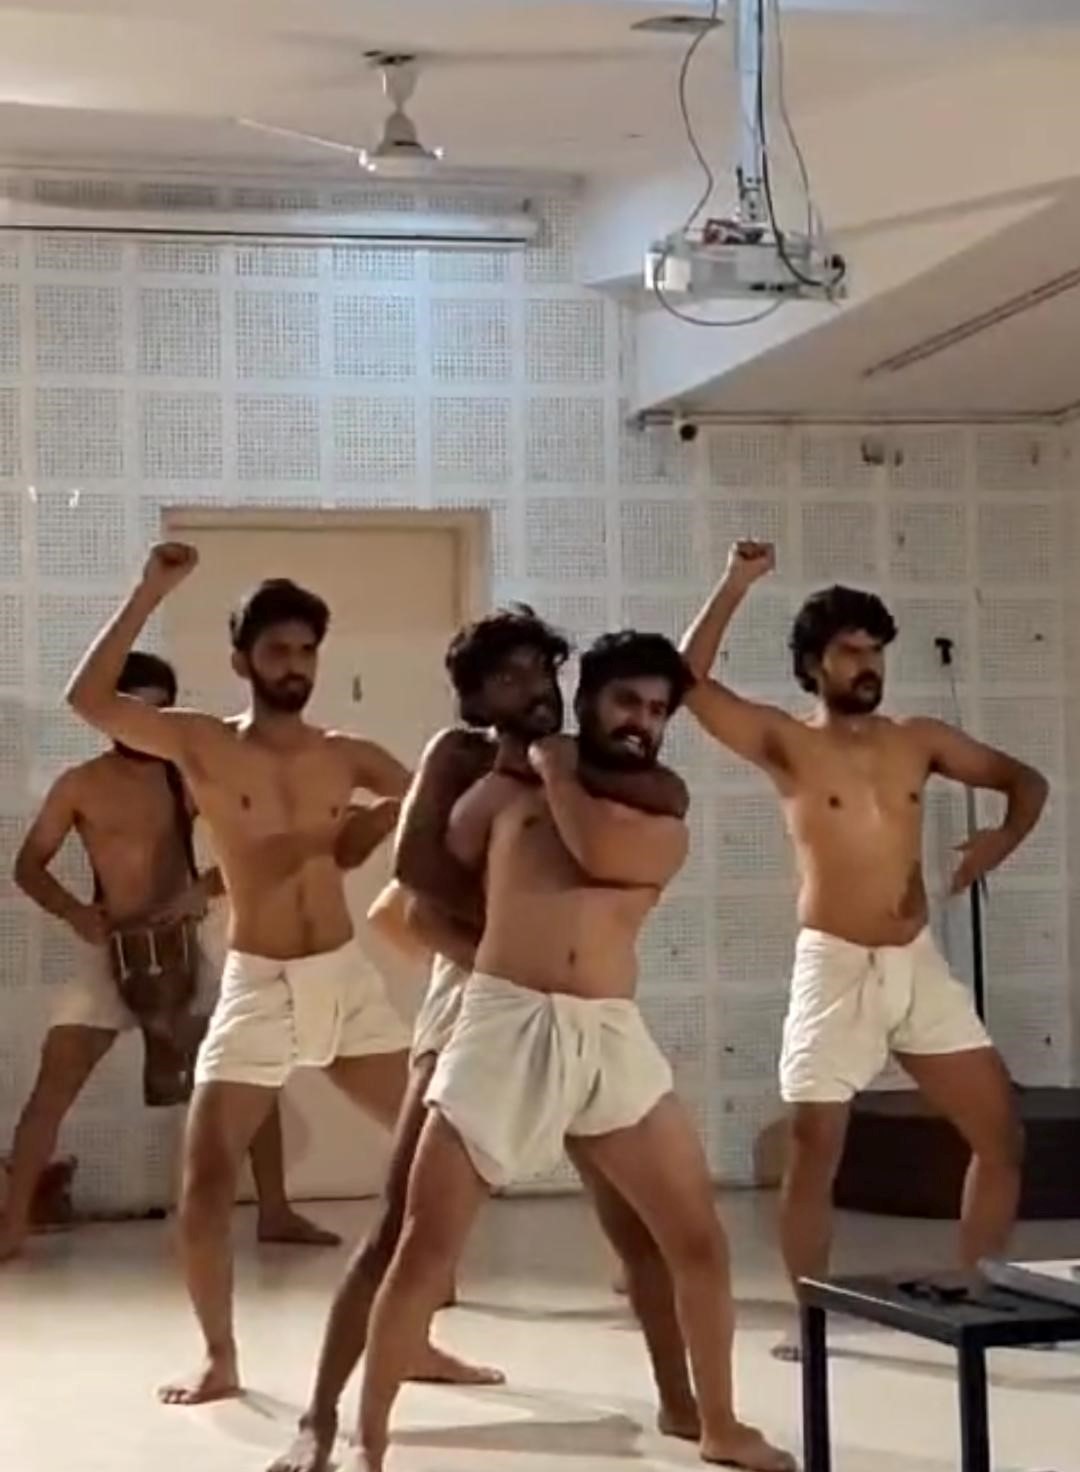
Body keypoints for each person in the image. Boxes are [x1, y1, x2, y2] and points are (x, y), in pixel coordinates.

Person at [271, 608, 702, 1472]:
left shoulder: (584, 760)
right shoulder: (461, 760)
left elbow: (664, 802)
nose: (533, 691)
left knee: (634, 1225)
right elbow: (414, 889)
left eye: (541, 672)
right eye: (508, 679)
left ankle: (684, 1405)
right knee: (401, 1225)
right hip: (477, 1001)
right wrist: (510, 955)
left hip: (581, 1013)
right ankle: (321, 1420)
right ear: (476, 699)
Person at [354, 631, 794, 1472]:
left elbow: (595, 849)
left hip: (607, 1034)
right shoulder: (507, 792)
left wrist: (554, 771)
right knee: (424, 1244)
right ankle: (366, 1443)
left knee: (697, 1241)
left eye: (658, 710)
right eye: (626, 702)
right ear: (585, 700)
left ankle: (718, 1423)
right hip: (503, 1024)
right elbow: (422, 883)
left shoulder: (658, 816)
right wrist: (493, 935)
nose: (642, 722)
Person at [64, 544, 483, 1406]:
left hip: (345, 984)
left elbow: (440, 808)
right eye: (277, 649)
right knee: (207, 1179)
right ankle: (219, 1358)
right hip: (259, 985)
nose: (294, 664)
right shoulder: (202, 743)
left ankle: (415, 1340)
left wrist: (380, 833)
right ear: (242, 661)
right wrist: (149, 590)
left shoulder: (347, 752)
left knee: (436, 1154)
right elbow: (89, 699)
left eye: (305, 650)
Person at [679, 541, 1047, 1353]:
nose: (868, 663)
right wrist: (735, 583)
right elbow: (690, 682)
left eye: (876, 649)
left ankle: (978, 1290)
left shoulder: (919, 738)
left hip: (915, 963)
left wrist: (1000, 841)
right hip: (835, 964)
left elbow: (1027, 781)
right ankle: (810, 1319)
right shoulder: (787, 742)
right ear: (816, 664)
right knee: (814, 1147)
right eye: (850, 651)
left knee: (1001, 1137)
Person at [0, 651, 335, 1263]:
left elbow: (259, 847)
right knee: (54, 1084)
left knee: (254, 1071)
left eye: (158, 711)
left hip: (188, 947)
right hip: (111, 950)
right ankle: (12, 1225)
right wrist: (75, 912)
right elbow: (28, 866)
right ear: (110, 714)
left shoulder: (188, 777)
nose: (144, 726)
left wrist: (199, 891)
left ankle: (276, 1211)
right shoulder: (79, 783)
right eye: (135, 710)